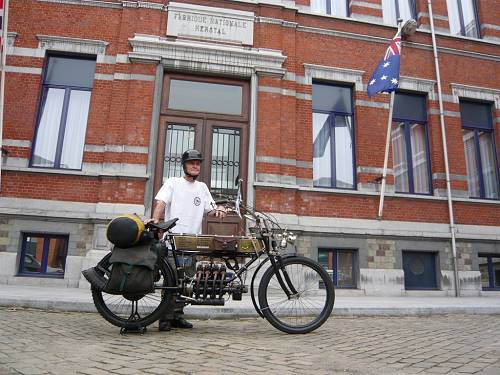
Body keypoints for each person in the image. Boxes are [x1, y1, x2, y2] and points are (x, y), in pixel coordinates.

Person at [148, 149, 226, 331]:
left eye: (198, 163)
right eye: (192, 163)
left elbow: (211, 209)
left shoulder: (202, 187)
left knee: (187, 281)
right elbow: (161, 203)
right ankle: (165, 318)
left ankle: (177, 316)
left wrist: (221, 210)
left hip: (192, 242)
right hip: (173, 241)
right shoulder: (173, 183)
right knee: (172, 281)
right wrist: (156, 220)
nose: (195, 165)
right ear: (184, 165)